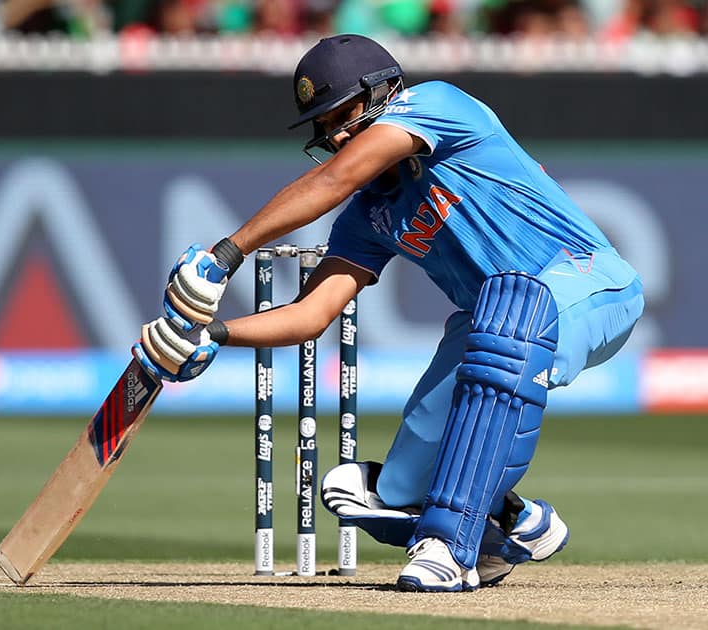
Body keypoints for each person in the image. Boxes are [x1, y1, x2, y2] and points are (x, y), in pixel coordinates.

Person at [132, 34, 644, 592]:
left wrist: (225, 253)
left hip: (589, 285)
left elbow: (335, 177)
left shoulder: (438, 105)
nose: (336, 135)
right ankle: (511, 523)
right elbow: (310, 314)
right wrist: (213, 334)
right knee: (379, 492)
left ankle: (450, 546)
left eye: (344, 115)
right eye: (324, 127)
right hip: (490, 325)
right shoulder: (367, 216)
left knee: (511, 314)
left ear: (386, 92)